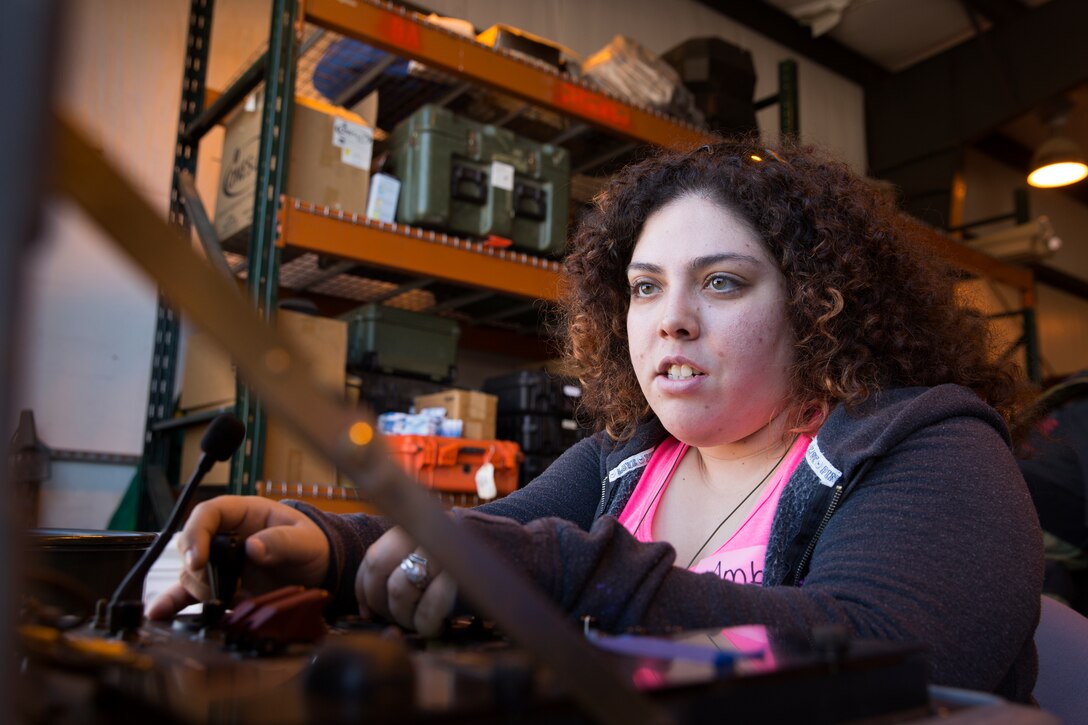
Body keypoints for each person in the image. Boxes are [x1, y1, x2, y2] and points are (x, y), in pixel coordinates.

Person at [149, 138, 1043, 702]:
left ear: (820, 307)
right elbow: (478, 540)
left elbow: (898, 655)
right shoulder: (629, 461)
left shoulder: (929, 442)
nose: (671, 319)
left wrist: (566, 571)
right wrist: (325, 547)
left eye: (722, 282)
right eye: (646, 287)